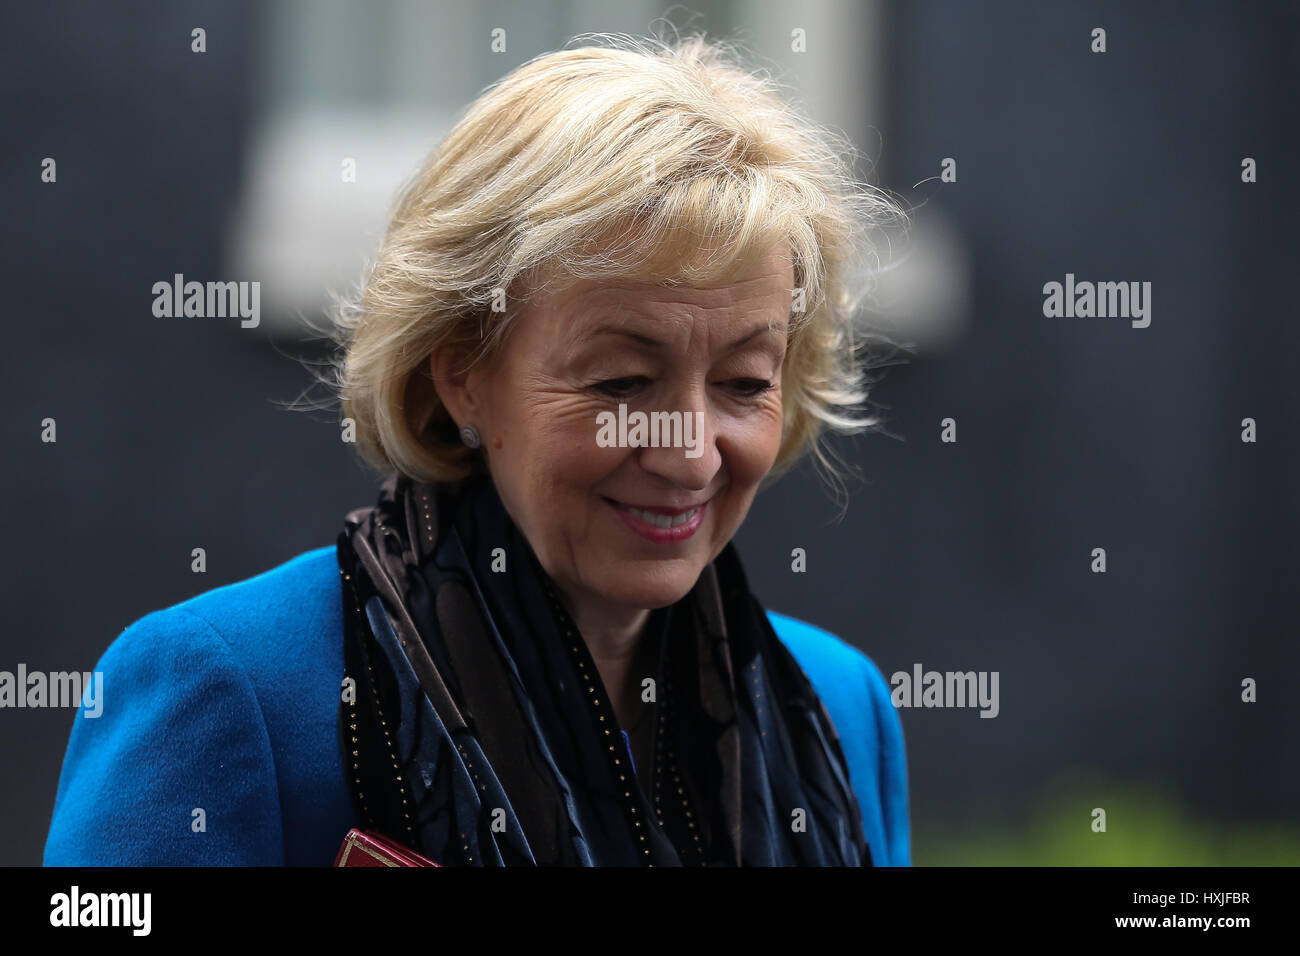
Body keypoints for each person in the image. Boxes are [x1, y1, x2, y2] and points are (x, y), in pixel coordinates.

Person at [44, 33, 910, 866]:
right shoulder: (231, 690)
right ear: (461, 371)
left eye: (745, 382)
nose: (688, 454)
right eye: (619, 383)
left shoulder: (840, 706)